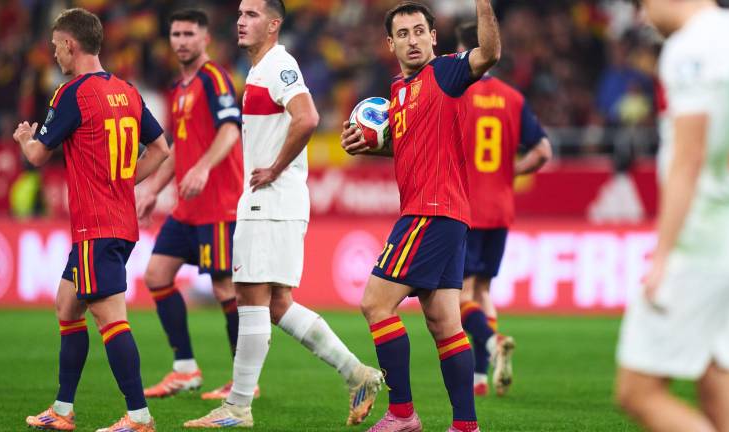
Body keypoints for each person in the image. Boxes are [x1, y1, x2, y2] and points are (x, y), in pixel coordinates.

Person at [183, 0, 383, 428]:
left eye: (252, 14)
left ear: (273, 25)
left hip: (269, 200)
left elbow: (307, 117)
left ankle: (237, 407)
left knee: (250, 299)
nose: (240, 19)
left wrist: (274, 167)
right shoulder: (260, 69)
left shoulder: (278, 65)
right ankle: (357, 373)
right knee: (277, 304)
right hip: (276, 202)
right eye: (239, 12)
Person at [341, 2, 501, 431]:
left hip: (429, 211)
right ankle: (465, 425)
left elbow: (488, 53)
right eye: (403, 34)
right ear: (390, 43)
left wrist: (484, 7)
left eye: (419, 31)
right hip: (447, 216)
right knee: (445, 323)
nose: (413, 40)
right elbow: (409, 145)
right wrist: (369, 145)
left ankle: (403, 414)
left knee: (375, 303)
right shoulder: (397, 90)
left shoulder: (446, 73)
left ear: (434, 36)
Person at [15, 8, 169, 432]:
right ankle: (62, 411)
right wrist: (122, 182)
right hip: (115, 223)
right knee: (67, 306)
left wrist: (26, 137)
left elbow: (38, 156)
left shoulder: (71, 95)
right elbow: (161, 150)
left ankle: (139, 417)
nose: (54, 54)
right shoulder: (127, 91)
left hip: (95, 227)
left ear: (70, 44)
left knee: (111, 318)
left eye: (55, 46)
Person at [615, 1, 729, 431]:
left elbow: (687, 161)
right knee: (722, 402)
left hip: (702, 240)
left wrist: (662, 256)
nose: (643, 15)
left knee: (638, 391)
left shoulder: (691, 49)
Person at [136, 8, 247, 401]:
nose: (181, 40)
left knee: (224, 288)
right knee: (156, 275)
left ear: (205, 39)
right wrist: (151, 189)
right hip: (187, 207)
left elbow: (231, 129)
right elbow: (179, 148)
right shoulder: (179, 87)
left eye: (189, 34)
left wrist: (202, 167)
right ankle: (185, 369)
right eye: (176, 33)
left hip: (218, 204)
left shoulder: (214, 78)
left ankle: (242, 380)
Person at [455, 22, 552, 398]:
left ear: (467, 49)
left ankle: (493, 344)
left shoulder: (457, 93)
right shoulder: (513, 98)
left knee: (462, 292)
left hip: (465, 207)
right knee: (483, 289)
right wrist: (507, 173)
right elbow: (543, 151)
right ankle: (480, 377)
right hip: (500, 207)